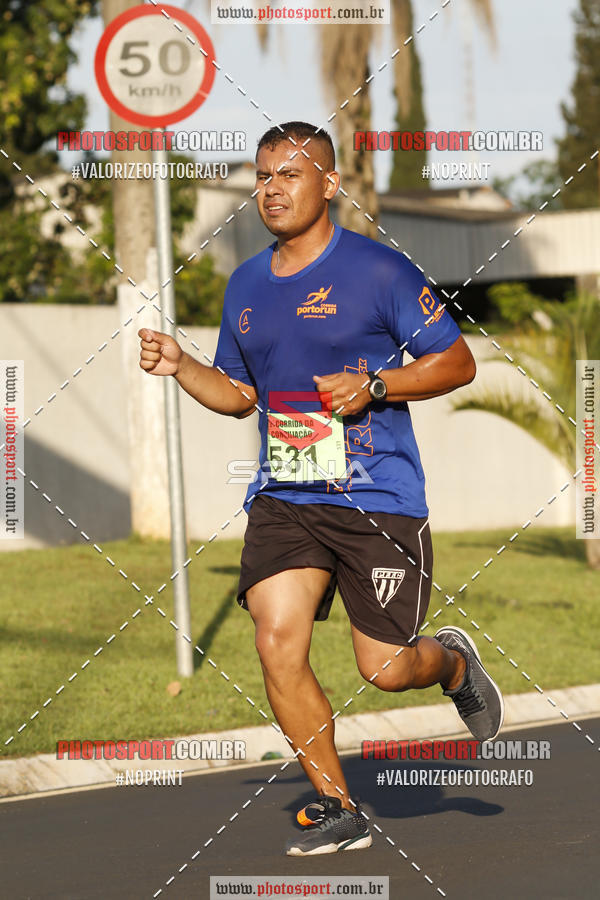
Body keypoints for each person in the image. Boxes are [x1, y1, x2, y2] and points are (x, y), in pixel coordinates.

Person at [138, 121, 503, 856]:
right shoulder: (245, 284)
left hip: (378, 497)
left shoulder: (379, 272)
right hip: (288, 495)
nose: (271, 190)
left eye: (290, 175)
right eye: (262, 176)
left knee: (387, 667)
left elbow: (457, 362)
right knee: (276, 643)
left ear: (328, 185)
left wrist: (375, 383)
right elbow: (240, 394)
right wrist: (182, 366)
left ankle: (455, 662)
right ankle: (341, 807)